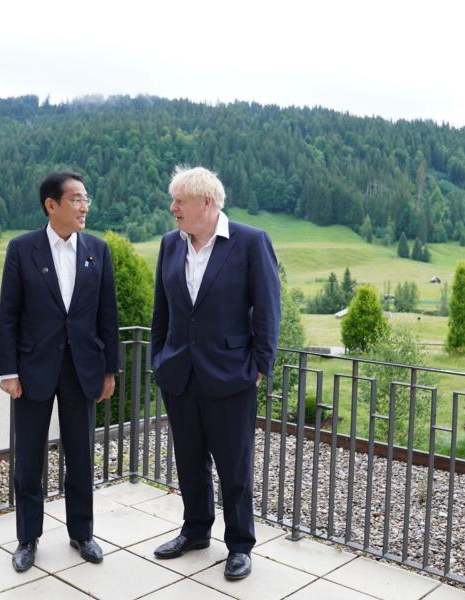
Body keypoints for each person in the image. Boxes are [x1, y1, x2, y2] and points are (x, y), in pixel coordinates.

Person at [150, 166, 281, 580]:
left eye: (179, 201)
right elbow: (162, 312)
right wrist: (159, 357)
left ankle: (240, 545)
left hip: (231, 377)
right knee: (189, 461)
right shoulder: (171, 244)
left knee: (233, 467)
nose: (173, 208)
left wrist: (260, 367)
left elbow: (268, 309)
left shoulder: (250, 242)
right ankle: (195, 531)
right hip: (180, 376)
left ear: (206, 202)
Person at [0, 171, 119, 573]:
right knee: (29, 460)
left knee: (81, 457)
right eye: (77, 199)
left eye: (87, 199)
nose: (85, 206)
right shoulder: (21, 249)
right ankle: (27, 539)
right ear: (52, 205)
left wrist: (109, 370)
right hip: (33, 371)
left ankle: (82, 533)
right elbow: (9, 316)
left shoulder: (97, 251)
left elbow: (107, 317)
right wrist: (8, 371)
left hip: (82, 370)